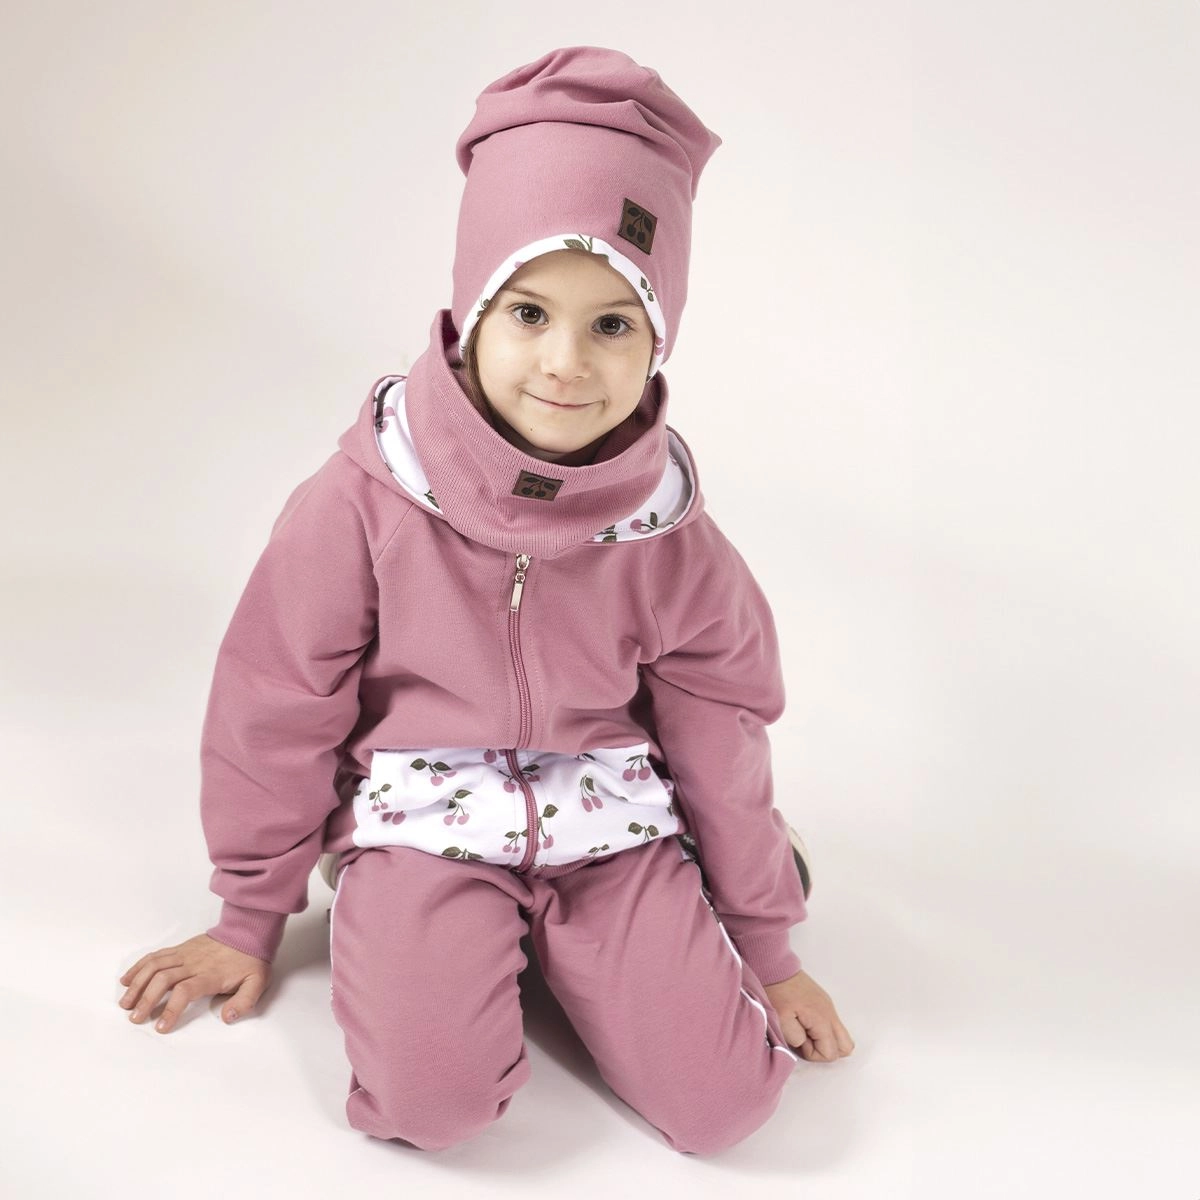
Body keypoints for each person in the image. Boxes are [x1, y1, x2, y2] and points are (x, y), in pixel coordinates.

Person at [117, 45, 854, 1155]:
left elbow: (723, 732)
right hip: (424, 823)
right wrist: (248, 915)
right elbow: (276, 702)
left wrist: (769, 943)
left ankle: (612, 933)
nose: (566, 363)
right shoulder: (363, 502)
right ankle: (439, 932)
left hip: (609, 826)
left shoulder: (670, 536)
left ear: (660, 339)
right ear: (471, 312)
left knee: (727, 1110)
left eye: (614, 324)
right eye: (529, 314)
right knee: (431, 1106)